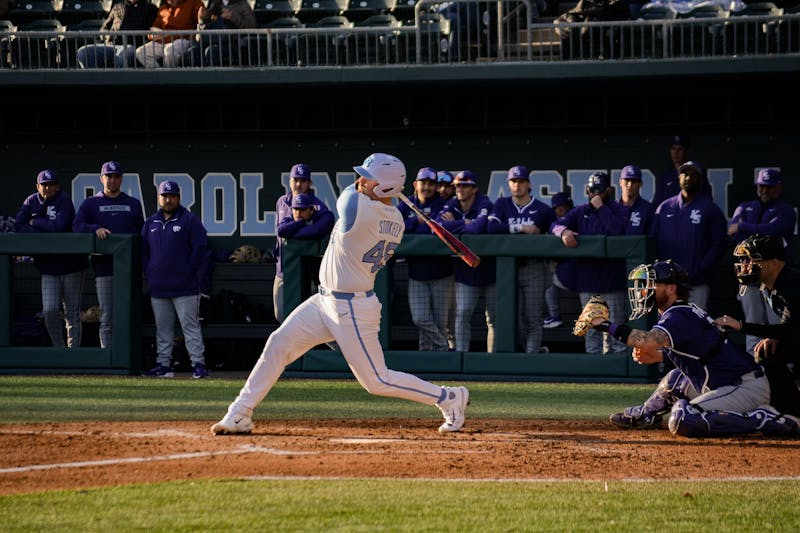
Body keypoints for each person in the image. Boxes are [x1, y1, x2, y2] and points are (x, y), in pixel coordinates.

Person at [211, 153, 470, 435]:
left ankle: (449, 397)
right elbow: (364, 190)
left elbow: (348, 192)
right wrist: (382, 185)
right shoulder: (396, 218)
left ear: (384, 187)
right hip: (325, 301)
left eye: (367, 178)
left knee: (376, 381)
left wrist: (379, 186)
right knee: (279, 343)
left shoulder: (358, 207)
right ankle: (240, 412)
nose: (360, 180)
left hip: (352, 309)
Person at [592, 259, 799, 437]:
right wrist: (658, 357)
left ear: (671, 288)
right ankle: (646, 414)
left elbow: (646, 340)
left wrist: (604, 325)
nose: (645, 289)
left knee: (683, 419)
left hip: (743, 388)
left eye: (653, 284)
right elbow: (699, 353)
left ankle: (762, 418)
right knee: (674, 379)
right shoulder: (682, 311)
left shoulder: (678, 315)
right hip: (727, 381)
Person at [715, 234, 800, 418]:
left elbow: (787, 329)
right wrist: (774, 336)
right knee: (767, 352)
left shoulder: (791, 284)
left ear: (775, 262)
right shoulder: (769, 286)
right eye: (745, 259)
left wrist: (740, 325)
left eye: (754, 259)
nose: (746, 264)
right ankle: (792, 411)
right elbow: (789, 326)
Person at [550, 172, 629, 354]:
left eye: (599, 190)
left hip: (612, 281)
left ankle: (618, 369)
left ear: (608, 191)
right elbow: (554, 224)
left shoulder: (617, 209)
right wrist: (563, 232)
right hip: (587, 281)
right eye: (591, 190)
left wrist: (601, 208)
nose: (594, 194)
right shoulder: (580, 211)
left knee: (615, 328)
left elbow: (618, 230)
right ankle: (595, 368)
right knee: (591, 329)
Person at [142, 180, 210, 379]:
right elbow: (144, 252)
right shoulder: (151, 222)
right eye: (164, 196)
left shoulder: (189, 219)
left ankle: (198, 364)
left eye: (172, 196)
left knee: (190, 327)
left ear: (179, 197)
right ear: (159, 198)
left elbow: (200, 249)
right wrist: (150, 271)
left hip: (185, 286)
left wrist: (188, 270)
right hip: (159, 286)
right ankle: (163, 365)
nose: (168, 199)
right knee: (163, 329)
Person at [73, 161, 145, 348]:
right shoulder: (91, 204)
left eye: (116, 176)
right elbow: (77, 226)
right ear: (101, 178)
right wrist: (94, 228)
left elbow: (141, 235)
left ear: (121, 178)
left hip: (128, 269)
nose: (112, 180)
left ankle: (129, 357)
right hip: (104, 269)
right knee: (107, 316)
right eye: (109, 176)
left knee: (128, 314)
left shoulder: (133, 204)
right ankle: (110, 359)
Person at [14, 170, 88, 348]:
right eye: (44, 185)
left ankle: (73, 353)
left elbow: (59, 227)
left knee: (72, 313)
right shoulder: (31, 201)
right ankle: (59, 349)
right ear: (37, 186)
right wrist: (37, 228)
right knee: (49, 311)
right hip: (48, 267)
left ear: (57, 186)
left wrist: (35, 222)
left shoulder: (63, 200)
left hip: (71, 265)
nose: (47, 188)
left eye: (51, 184)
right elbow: (19, 225)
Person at [727, 169, 796, 355]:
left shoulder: (785, 210)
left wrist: (742, 226)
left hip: (773, 277)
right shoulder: (745, 206)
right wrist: (756, 232)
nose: (765, 190)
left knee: (779, 321)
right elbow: (734, 238)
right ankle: (753, 364)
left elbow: (774, 232)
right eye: (762, 186)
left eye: (770, 187)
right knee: (753, 320)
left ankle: (783, 359)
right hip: (750, 275)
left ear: (779, 187)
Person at [487, 165, 555, 353]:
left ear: (528, 184)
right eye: (514, 181)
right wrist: (521, 229)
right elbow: (491, 229)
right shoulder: (502, 204)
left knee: (533, 318)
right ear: (509, 184)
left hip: (533, 268)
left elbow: (553, 232)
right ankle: (527, 352)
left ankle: (531, 357)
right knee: (513, 319)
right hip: (508, 270)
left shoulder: (542, 209)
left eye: (521, 181)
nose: (517, 185)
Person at [650, 161, 727, 312]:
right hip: (667, 284)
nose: (688, 177)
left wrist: (701, 268)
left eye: (693, 174)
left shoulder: (710, 209)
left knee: (694, 327)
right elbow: (653, 242)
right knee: (666, 327)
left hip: (695, 284)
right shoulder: (664, 207)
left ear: (700, 179)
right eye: (684, 173)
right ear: (678, 178)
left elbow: (719, 243)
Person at [437, 170, 496, 352]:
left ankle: (493, 358)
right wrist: (465, 223)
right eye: (457, 186)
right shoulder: (451, 203)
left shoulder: (484, 202)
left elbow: (478, 228)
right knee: (462, 315)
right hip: (465, 273)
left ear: (474, 189)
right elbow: (437, 227)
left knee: (493, 318)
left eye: (465, 185)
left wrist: (455, 224)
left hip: (490, 271)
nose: (460, 189)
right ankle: (461, 355)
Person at [397, 167, 453, 351]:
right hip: (416, 273)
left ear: (436, 187)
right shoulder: (407, 204)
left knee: (439, 323)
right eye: (424, 183)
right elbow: (395, 227)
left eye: (431, 184)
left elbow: (436, 230)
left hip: (441, 272)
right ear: (416, 184)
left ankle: (434, 362)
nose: (427, 187)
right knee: (420, 319)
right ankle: (442, 347)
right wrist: (417, 222)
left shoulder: (443, 203)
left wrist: (413, 227)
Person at [272, 163, 334, 323]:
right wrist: (301, 223)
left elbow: (322, 228)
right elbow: (281, 231)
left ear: (309, 183)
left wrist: (293, 232)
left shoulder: (317, 205)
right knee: (281, 315)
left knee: (313, 317)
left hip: (309, 270)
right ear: (290, 181)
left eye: (303, 181)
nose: (299, 184)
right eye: (295, 180)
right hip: (283, 269)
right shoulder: (282, 202)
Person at [75, 0, 158, 68]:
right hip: (110, 45)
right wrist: (107, 36)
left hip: (132, 46)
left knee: (125, 53)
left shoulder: (150, 9)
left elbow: (152, 30)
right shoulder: (117, 7)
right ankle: (94, 79)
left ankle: (117, 81)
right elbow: (104, 28)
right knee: (83, 52)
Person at [135, 0, 204, 68]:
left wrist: (201, 21)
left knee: (169, 52)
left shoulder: (194, 3)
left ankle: (170, 77)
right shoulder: (163, 8)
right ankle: (160, 76)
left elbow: (201, 22)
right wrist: (153, 35)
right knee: (141, 52)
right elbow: (154, 28)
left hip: (182, 39)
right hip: (162, 40)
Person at [652, 134, 711, 206]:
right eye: (673, 148)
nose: (676, 153)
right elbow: (657, 203)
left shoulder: (696, 172)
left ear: (686, 151)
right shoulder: (665, 176)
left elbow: (706, 199)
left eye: (680, 149)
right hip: (670, 214)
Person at [543, 191, 574, 329]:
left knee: (548, 278)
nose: (560, 211)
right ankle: (554, 315)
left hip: (580, 271)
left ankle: (555, 316)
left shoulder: (575, 218)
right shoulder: (554, 224)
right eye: (557, 209)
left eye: (562, 208)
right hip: (569, 268)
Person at [195, 0, 256, 66]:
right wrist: (202, 20)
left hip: (232, 43)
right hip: (211, 41)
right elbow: (201, 34)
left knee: (212, 51)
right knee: (194, 51)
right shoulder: (214, 4)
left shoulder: (242, 4)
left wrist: (233, 17)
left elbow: (252, 25)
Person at [613, 165, 654, 236]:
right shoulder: (612, 208)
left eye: (634, 181)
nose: (630, 184)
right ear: (620, 182)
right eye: (626, 180)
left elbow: (651, 239)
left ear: (640, 184)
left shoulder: (648, 209)